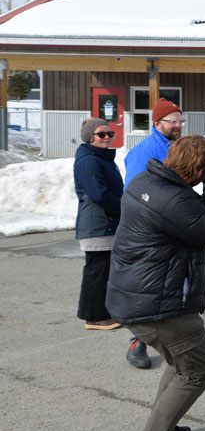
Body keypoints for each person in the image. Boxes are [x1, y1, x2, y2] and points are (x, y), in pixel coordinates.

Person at [107, 135, 205, 431]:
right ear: (199, 170)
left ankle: (162, 429)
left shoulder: (147, 181)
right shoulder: (173, 199)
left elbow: (186, 222)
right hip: (160, 304)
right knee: (198, 371)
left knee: (179, 363)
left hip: (137, 296)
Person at [121, 97, 184, 369]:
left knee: (176, 284)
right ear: (157, 123)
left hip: (175, 224)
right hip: (152, 229)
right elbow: (136, 193)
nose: (178, 125)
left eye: (181, 121)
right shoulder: (143, 152)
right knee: (151, 286)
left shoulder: (177, 147)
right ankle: (138, 342)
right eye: (173, 121)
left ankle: (175, 338)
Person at [74, 118, 124, 331]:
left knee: (105, 271)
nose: (107, 138)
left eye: (109, 134)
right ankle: (94, 317)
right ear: (89, 137)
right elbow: (99, 194)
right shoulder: (89, 161)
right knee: (97, 273)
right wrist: (126, 209)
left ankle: (104, 312)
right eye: (101, 134)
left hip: (107, 223)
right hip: (97, 225)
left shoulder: (101, 158)